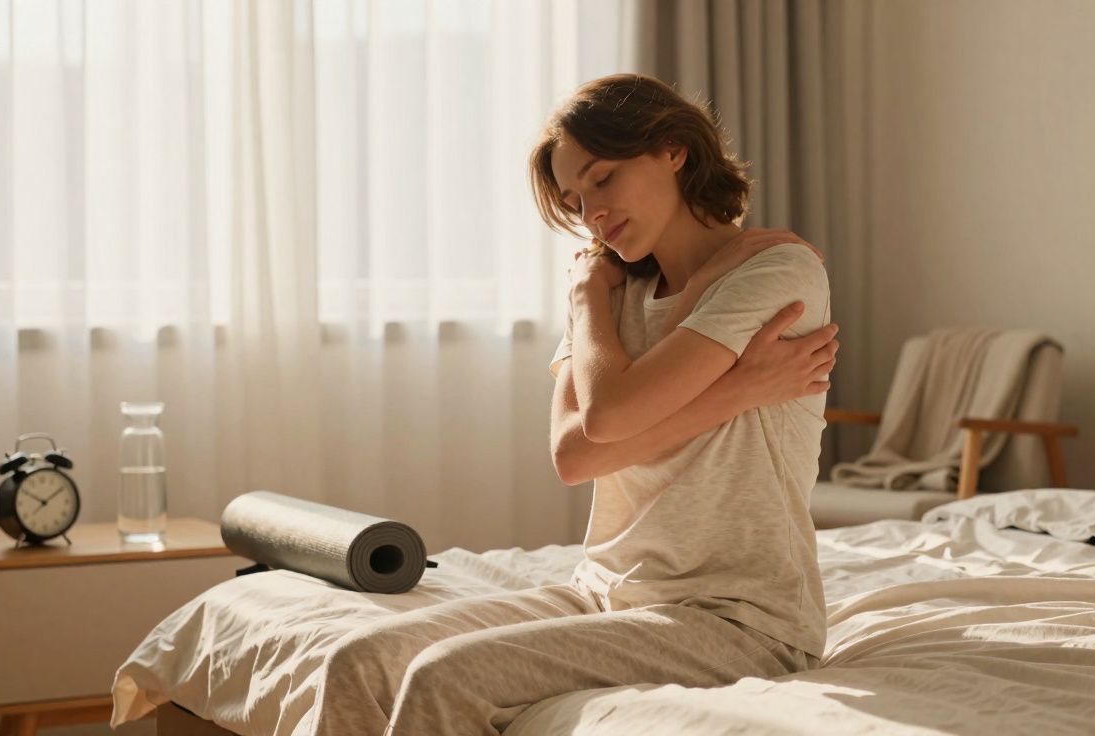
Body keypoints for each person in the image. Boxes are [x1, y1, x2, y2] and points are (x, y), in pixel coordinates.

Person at [354, 73, 839, 736]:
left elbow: (607, 418)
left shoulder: (774, 272)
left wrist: (583, 297)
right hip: (605, 591)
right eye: (576, 199)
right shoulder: (611, 288)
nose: (592, 215)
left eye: (602, 179)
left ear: (674, 150)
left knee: (444, 675)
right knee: (360, 661)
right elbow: (574, 454)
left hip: (738, 617)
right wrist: (737, 390)